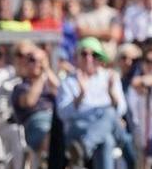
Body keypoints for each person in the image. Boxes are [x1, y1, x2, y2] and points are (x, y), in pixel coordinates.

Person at [56, 36, 131, 169]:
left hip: (100, 128)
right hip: (80, 128)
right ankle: (85, 147)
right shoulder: (69, 81)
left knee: (108, 116)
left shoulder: (110, 77)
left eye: (94, 54)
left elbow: (121, 110)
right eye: (84, 54)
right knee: (107, 139)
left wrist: (111, 94)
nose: (89, 58)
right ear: (77, 57)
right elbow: (62, 114)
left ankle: (84, 147)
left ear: (100, 58)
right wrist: (81, 95)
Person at [12, 43, 59, 157]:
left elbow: (61, 93)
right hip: (35, 124)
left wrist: (46, 68)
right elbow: (29, 101)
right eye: (32, 60)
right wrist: (41, 77)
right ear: (26, 64)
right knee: (50, 134)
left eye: (40, 61)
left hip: (55, 120)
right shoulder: (20, 87)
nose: (37, 64)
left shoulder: (49, 84)